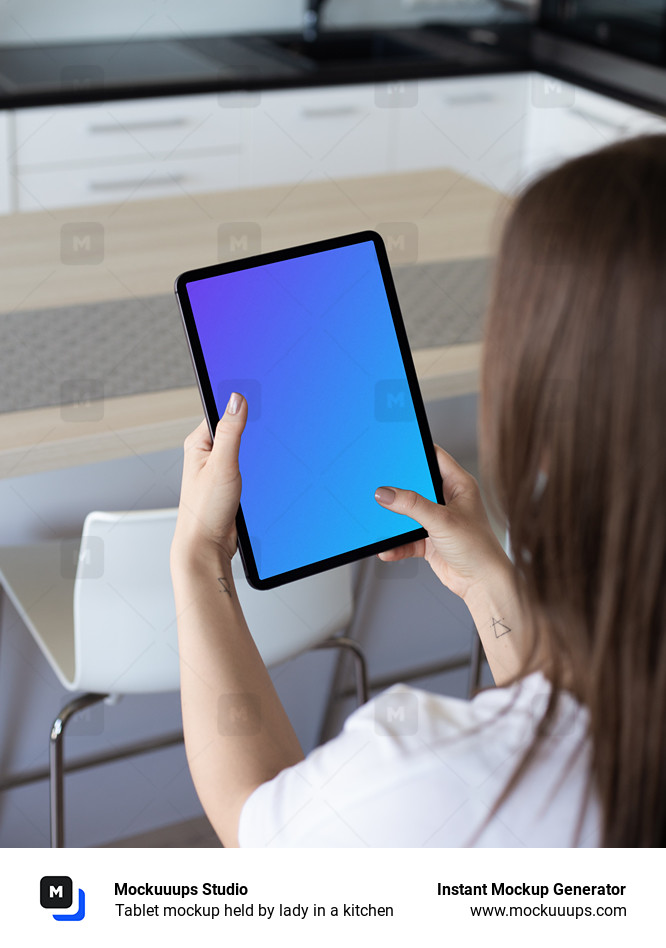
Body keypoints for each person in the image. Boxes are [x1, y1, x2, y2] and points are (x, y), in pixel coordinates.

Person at [170, 134, 666, 848]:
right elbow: (569, 711)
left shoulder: (433, 783)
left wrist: (199, 557)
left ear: (544, 417)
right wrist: (488, 581)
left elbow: (258, 827)